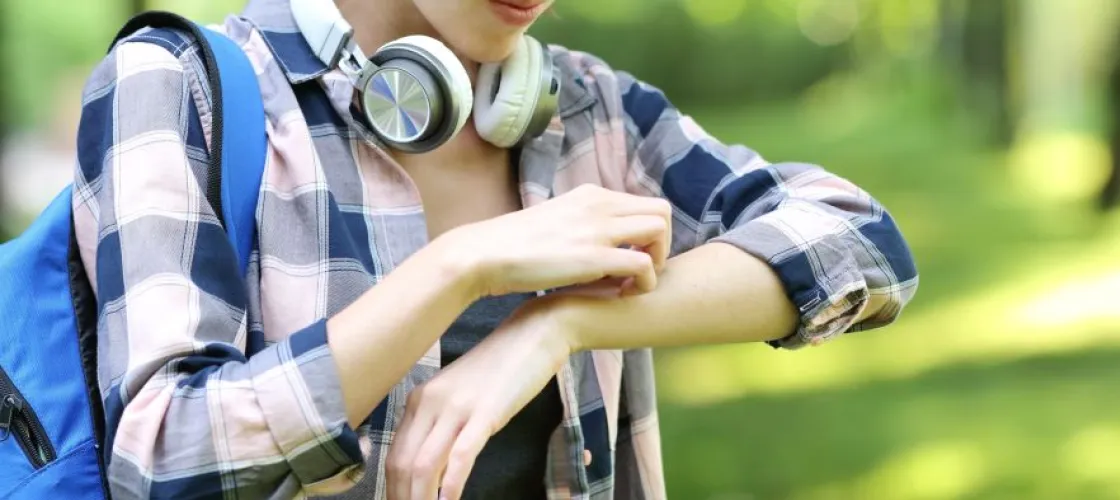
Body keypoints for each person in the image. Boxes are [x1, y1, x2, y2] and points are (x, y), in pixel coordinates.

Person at [72, 0, 919, 498]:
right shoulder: (177, 85)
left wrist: (560, 325)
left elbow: (862, 242)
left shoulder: (587, 109)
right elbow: (163, 459)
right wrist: (459, 268)